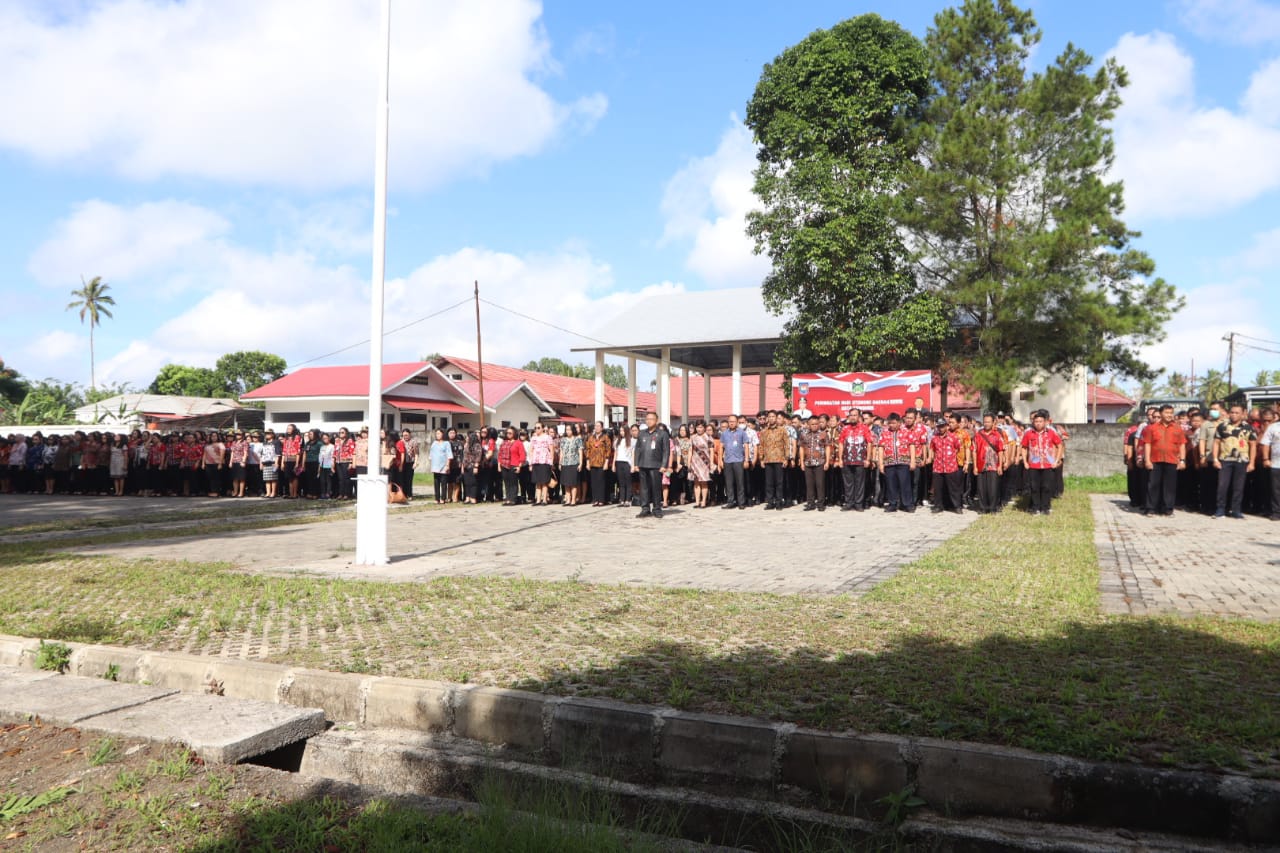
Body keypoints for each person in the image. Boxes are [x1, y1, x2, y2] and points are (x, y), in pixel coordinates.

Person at [1213, 404, 1256, 520]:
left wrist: (1252, 463)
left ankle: (1236, 510)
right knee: (1222, 486)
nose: (1234, 415)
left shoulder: (1249, 428)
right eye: (1232, 412)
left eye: (1237, 412)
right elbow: (1216, 443)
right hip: (1225, 460)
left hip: (1242, 461)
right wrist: (1215, 459)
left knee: (1238, 487)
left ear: (1243, 414)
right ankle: (1220, 509)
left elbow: (1252, 446)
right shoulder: (1222, 426)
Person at [1142, 405, 1187, 517]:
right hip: (1155, 460)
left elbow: (1182, 445)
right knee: (1153, 485)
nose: (1169, 415)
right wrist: (1147, 460)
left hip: (1172, 460)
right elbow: (1147, 444)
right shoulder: (1152, 428)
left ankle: (1167, 509)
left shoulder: (1177, 428)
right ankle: (1151, 508)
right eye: (1166, 412)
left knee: (1170, 486)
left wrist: (1182, 460)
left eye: (1171, 413)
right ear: (1161, 414)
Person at [1021, 410, 1062, 516]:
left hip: (1048, 464)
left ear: (1045, 422)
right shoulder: (1028, 434)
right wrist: (1025, 461)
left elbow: (1059, 445)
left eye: (1040, 421)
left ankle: (1045, 507)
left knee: (1046, 487)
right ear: (1033, 422)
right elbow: (1024, 447)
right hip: (1034, 465)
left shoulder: (1051, 433)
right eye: (1036, 421)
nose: (1038, 423)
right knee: (1034, 487)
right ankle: (1035, 507)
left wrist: (1056, 460)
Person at [633, 412, 670, 519]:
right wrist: (636, 463)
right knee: (644, 488)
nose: (649, 421)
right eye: (647, 419)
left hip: (656, 465)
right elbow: (637, 449)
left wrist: (664, 465)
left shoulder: (662, 434)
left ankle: (657, 508)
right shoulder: (642, 433)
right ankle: (645, 509)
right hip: (643, 464)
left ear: (656, 420)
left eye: (651, 419)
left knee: (656, 488)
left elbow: (666, 451)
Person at [877, 414, 916, 513]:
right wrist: (881, 463)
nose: (892, 425)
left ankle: (907, 504)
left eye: (894, 423)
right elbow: (881, 448)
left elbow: (911, 446)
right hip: (889, 463)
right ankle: (892, 504)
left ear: (899, 422)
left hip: (903, 462)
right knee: (891, 484)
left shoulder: (906, 432)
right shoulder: (884, 433)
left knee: (905, 484)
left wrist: (912, 461)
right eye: (890, 423)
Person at [927, 416, 965, 514]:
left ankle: (956, 506)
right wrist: (930, 458)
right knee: (938, 489)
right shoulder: (934, 438)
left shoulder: (953, 437)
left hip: (951, 467)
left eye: (943, 426)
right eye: (939, 426)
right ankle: (938, 506)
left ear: (947, 426)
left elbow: (958, 448)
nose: (941, 428)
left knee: (953, 488)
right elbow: (932, 449)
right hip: (938, 467)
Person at [836, 410, 873, 512]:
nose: (853, 417)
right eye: (851, 415)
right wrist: (840, 459)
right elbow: (840, 443)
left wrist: (868, 459)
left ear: (859, 417)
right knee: (848, 483)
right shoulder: (845, 429)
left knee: (860, 483)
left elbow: (869, 443)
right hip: (847, 460)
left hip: (861, 461)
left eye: (855, 415)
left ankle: (858, 503)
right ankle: (848, 503)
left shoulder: (864, 428)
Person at [973, 414, 1005, 514]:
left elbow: (1000, 451)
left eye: (988, 422)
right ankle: (983, 507)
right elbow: (974, 450)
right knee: (981, 488)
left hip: (994, 465)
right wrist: (974, 466)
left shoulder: (997, 435)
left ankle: (993, 508)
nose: (986, 424)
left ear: (993, 422)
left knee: (993, 488)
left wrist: (1000, 465)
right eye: (985, 421)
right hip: (981, 464)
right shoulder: (978, 435)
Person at [759, 411, 791, 511]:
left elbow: (787, 444)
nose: (772, 418)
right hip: (768, 460)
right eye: (770, 417)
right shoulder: (764, 431)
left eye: (774, 416)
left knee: (779, 482)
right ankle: (770, 502)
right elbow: (761, 445)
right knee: (769, 483)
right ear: (768, 418)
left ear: (776, 418)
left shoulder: (782, 430)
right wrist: (761, 459)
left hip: (779, 459)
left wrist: (786, 458)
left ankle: (778, 502)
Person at [798, 414, 831, 511]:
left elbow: (827, 447)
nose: (814, 426)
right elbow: (801, 448)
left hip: (820, 462)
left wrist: (827, 462)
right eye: (812, 424)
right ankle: (810, 503)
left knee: (820, 484)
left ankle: (821, 504)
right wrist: (802, 462)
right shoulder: (803, 434)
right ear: (808, 424)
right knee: (809, 484)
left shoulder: (823, 434)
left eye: (816, 424)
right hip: (808, 463)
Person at [719, 415, 747, 509]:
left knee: (740, 483)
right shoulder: (724, 433)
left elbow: (746, 446)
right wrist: (720, 460)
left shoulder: (741, 432)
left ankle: (741, 502)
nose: (731, 423)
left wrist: (746, 460)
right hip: (728, 460)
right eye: (730, 421)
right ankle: (730, 501)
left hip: (738, 460)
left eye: (733, 421)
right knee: (729, 483)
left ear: (737, 422)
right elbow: (721, 447)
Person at [1259, 408, 1280, 521]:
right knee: (1275, 490)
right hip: (1276, 464)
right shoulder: (1273, 427)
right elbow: (1266, 444)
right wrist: (1266, 459)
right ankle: (1277, 513)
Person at [585, 422, 612, 507]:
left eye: (598, 426)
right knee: (594, 482)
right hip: (593, 462)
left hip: (602, 462)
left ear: (602, 428)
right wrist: (588, 462)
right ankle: (595, 499)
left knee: (601, 482)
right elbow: (588, 449)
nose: (596, 428)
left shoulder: (605, 437)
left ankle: (601, 500)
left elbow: (608, 450)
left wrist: (606, 462)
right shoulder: (591, 438)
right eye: (595, 426)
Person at [498, 426, 527, 505]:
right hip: (504, 465)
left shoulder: (518, 443)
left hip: (514, 465)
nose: (508, 434)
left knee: (513, 483)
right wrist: (499, 465)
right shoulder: (504, 443)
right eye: (507, 433)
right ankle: (507, 499)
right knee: (506, 483)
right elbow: (500, 454)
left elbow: (522, 455)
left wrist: (519, 466)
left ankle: (513, 499)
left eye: (510, 433)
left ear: (514, 433)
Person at [688, 421, 714, 508]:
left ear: (704, 428)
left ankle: (703, 501)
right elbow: (690, 451)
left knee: (704, 482)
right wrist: (689, 463)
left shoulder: (708, 437)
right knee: (696, 482)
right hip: (695, 462)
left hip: (705, 462)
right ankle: (697, 501)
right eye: (698, 427)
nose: (699, 429)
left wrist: (711, 463)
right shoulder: (692, 437)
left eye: (701, 427)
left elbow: (711, 451)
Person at [613, 424, 634, 506]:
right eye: (620, 431)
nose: (621, 432)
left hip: (627, 462)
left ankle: (628, 499)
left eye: (623, 431)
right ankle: (622, 499)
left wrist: (633, 465)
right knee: (621, 482)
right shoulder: (617, 441)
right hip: (619, 462)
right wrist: (613, 464)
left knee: (628, 482)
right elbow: (616, 453)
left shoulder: (630, 441)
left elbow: (633, 454)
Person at [429, 428, 452, 504]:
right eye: (436, 434)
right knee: (436, 483)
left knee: (444, 483)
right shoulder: (434, 443)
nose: (437, 435)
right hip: (435, 466)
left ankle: (443, 498)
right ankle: (437, 498)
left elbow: (449, 455)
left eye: (439, 433)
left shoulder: (446, 443)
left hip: (443, 466)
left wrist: (447, 465)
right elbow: (431, 455)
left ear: (443, 434)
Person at [396, 429, 418, 501]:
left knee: (409, 479)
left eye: (406, 435)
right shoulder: (401, 442)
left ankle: (409, 494)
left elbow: (416, 453)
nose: (405, 436)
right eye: (404, 435)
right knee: (403, 479)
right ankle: (404, 494)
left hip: (410, 462)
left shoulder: (413, 442)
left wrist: (415, 462)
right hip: (402, 462)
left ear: (410, 434)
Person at [260, 429, 280, 499]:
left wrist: (276, 463)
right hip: (265, 462)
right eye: (266, 433)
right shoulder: (264, 443)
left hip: (273, 462)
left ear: (272, 434)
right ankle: (268, 492)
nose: (267, 435)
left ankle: (273, 492)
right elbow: (262, 454)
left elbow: (278, 453)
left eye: (268, 433)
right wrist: (261, 463)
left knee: (273, 479)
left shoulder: (276, 442)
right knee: (267, 479)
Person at [318, 432, 335, 499]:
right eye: (323, 438)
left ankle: (328, 493)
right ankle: (323, 493)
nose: (324, 439)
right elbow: (320, 457)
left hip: (329, 465)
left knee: (328, 481)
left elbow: (332, 457)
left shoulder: (332, 446)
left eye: (326, 438)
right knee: (322, 480)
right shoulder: (322, 447)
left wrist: (332, 467)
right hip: (322, 465)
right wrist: (319, 466)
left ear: (329, 438)